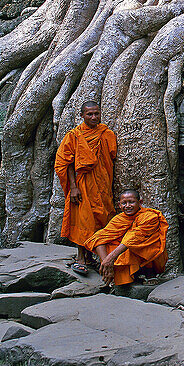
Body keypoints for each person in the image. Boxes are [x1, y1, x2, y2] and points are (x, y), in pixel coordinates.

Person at [54, 102, 117, 273]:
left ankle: (92, 258)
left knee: (101, 220)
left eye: (96, 113)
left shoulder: (106, 133)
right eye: (89, 114)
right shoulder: (74, 136)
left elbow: (110, 158)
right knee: (82, 221)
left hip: (103, 185)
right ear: (82, 115)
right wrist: (73, 187)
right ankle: (80, 257)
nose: (94, 117)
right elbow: (66, 163)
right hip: (82, 185)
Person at [87, 188, 168, 287]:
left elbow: (133, 238)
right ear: (119, 205)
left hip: (143, 255)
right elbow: (98, 238)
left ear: (140, 202)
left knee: (144, 244)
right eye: (124, 203)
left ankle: (149, 272)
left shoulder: (150, 217)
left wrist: (110, 258)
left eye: (131, 202)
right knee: (101, 241)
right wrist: (107, 264)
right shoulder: (119, 219)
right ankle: (111, 273)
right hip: (120, 254)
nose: (128, 206)